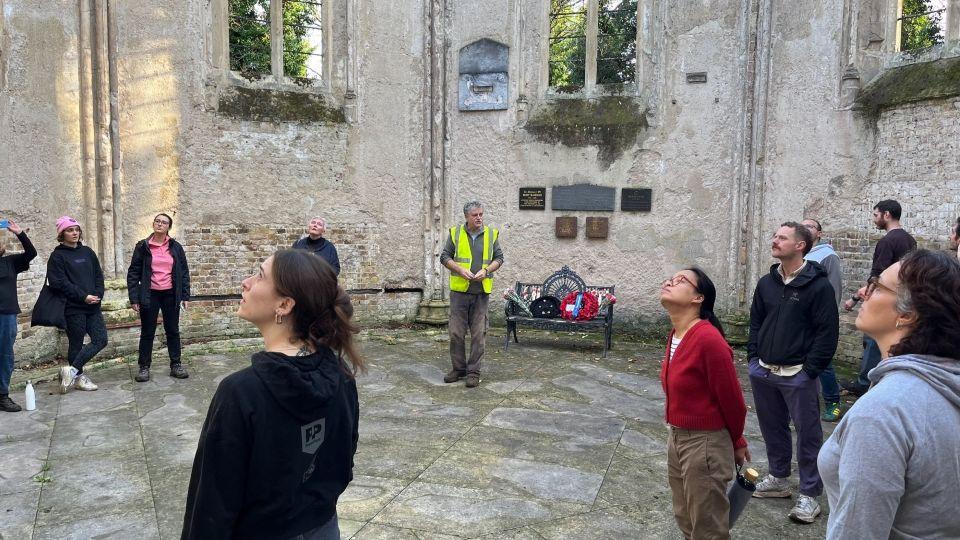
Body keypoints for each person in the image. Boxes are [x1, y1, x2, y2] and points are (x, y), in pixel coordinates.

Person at [181, 249, 362, 540]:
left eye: (259, 275)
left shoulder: (241, 393)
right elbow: (343, 463)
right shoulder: (341, 375)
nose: (246, 282)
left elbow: (212, 506)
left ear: (284, 304)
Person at [819, 249, 960, 539]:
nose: (863, 292)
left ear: (907, 314)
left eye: (877, 286)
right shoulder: (945, 383)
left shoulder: (883, 412)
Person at [747, 222, 839, 524]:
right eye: (775, 236)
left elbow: (827, 333)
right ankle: (778, 478)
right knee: (772, 427)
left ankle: (810, 493)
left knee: (809, 434)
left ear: (800, 245)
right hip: (764, 371)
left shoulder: (818, 286)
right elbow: (756, 322)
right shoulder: (766, 283)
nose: (774, 240)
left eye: (782, 238)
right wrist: (753, 359)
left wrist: (810, 371)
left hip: (798, 374)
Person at [660, 267, 750, 540]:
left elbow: (733, 400)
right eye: (671, 278)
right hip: (678, 436)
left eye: (680, 280)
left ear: (698, 298)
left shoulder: (709, 340)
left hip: (705, 443)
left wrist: (737, 440)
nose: (670, 282)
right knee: (686, 516)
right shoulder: (677, 334)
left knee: (708, 527)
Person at [841, 200, 916, 397]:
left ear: (887, 215)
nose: (874, 220)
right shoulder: (910, 240)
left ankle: (865, 383)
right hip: (901, 300)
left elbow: (877, 276)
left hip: (885, 299)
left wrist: (859, 298)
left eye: (876, 215)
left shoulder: (887, 241)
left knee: (873, 339)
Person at [439, 201, 503, 388]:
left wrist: (486, 270)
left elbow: (499, 258)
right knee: (456, 333)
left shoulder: (491, 234)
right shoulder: (455, 233)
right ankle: (459, 369)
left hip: (481, 293)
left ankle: (474, 372)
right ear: (466, 216)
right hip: (459, 293)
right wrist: (459, 270)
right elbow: (444, 257)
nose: (479, 218)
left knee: (478, 334)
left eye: (481, 214)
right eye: (475, 215)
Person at [126, 213, 192, 382]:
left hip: (171, 294)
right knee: (147, 331)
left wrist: (185, 295)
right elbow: (133, 272)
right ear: (153, 224)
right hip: (150, 294)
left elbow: (184, 272)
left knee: (172, 330)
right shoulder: (143, 246)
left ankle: (176, 364)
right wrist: (134, 298)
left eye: (164, 222)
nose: (160, 224)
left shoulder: (175, 247)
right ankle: (144, 367)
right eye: (157, 221)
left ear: (169, 227)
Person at [48, 216, 106, 394]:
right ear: (62, 234)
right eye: (69, 230)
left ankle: (71, 371)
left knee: (101, 340)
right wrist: (83, 296)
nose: (74, 233)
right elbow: (59, 282)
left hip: (93, 306)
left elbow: (98, 275)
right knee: (76, 344)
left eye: (77, 229)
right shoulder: (57, 256)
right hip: (72, 308)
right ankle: (79, 378)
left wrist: (98, 294)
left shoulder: (87, 252)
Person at [801, 219, 844, 422]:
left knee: (823, 361)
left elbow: (834, 289)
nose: (805, 228)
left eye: (810, 226)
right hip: (799, 317)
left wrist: (827, 318)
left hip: (819, 318)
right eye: (802, 226)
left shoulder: (828, 256)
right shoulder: (799, 254)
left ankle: (833, 402)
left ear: (819, 233)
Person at [0, 219, 37, 412]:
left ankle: (2, 395)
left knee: (5, 355)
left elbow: (31, 253)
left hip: (6, 316)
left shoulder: (10, 262)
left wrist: (20, 233)